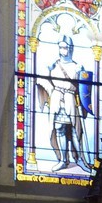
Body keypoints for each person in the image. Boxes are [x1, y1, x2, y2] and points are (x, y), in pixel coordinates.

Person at [39, 36, 91, 171]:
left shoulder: (77, 67)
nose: (63, 50)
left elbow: (84, 87)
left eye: (65, 47)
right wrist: (51, 91)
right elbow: (43, 82)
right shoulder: (53, 66)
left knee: (75, 130)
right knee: (59, 130)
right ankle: (63, 160)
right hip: (57, 99)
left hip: (70, 99)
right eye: (61, 47)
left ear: (70, 48)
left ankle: (80, 160)